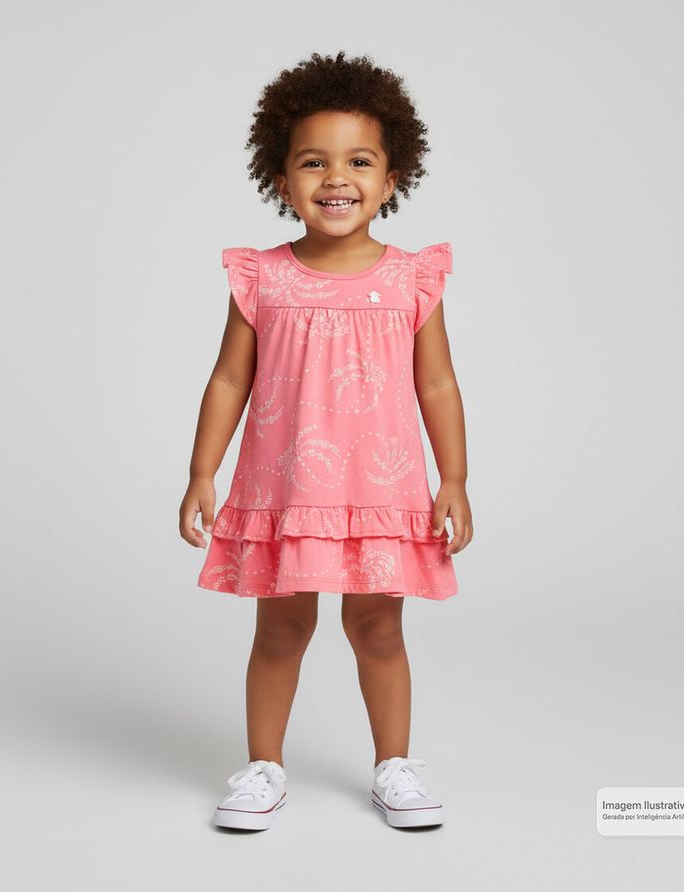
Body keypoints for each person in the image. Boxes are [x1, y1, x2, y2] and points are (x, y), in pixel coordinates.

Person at [179, 50, 473, 831]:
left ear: (391, 179)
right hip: (287, 491)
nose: (335, 177)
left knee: (378, 628)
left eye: (358, 161)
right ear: (281, 181)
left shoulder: (411, 279)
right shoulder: (262, 278)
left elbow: (438, 385)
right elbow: (229, 381)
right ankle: (263, 768)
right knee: (281, 628)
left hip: (380, 492)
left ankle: (394, 767)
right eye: (313, 161)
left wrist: (453, 480)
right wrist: (203, 472)